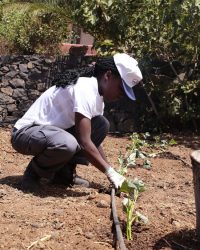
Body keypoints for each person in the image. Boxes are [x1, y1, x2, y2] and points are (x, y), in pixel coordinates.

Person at [11, 53, 143, 192]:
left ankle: (63, 175)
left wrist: (113, 173)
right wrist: (109, 172)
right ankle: (32, 175)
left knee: (101, 124)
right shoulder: (85, 88)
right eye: (121, 89)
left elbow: (92, 141)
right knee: (67, 143)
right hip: (26, 133)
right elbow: (84, 142)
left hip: (51, 134)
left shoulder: (98, 99)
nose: (121, 95)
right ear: (108, 76)